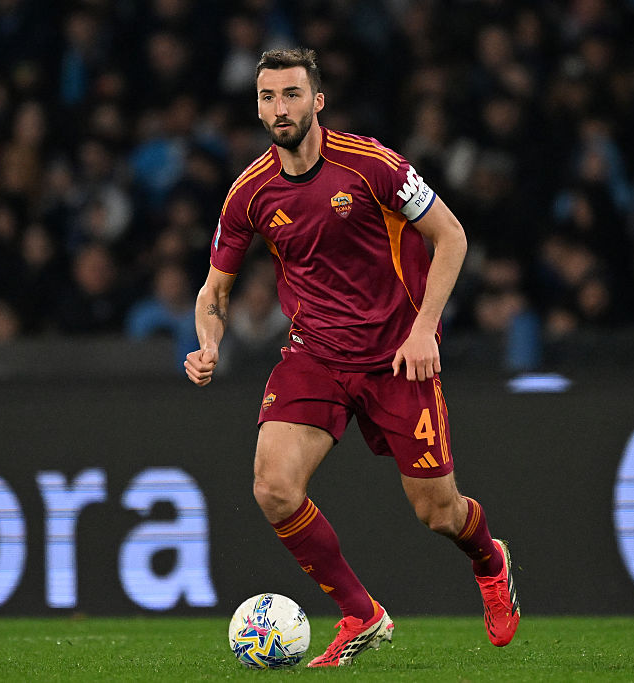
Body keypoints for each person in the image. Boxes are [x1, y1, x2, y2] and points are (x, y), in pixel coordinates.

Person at [184, 48, 520, 667]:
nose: (278, 108)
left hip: (399, 355)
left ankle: (490, 560)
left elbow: (452, 236)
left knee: (438, 512)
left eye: (290, 95)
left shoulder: (372, 166)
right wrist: (208, 341)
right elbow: (215, 292)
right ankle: (360, 613)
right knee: (273, 488)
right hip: (316, 353)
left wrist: (424, 330)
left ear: (317, 101)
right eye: (266, 97)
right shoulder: (249, 192)